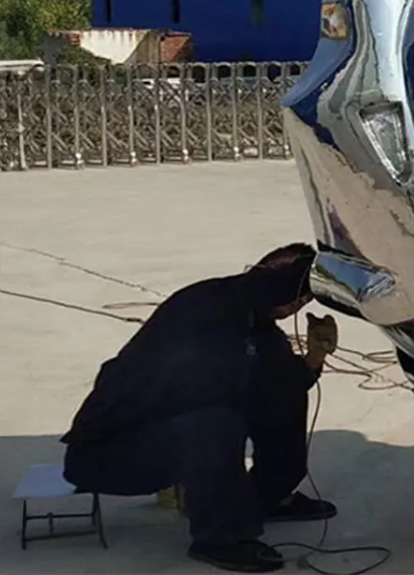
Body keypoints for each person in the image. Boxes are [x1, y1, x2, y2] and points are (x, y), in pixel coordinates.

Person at [62, 243, 340, 573]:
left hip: (171, 427)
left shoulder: (252, 314)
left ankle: (269, 496)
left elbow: (278, 382)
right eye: (299, 298)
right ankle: (220, 538)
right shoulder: (204, 310)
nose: (298, 307)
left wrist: (313, 358)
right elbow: (221, 388)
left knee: (283, 397)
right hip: (111, 451)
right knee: (216, 424)